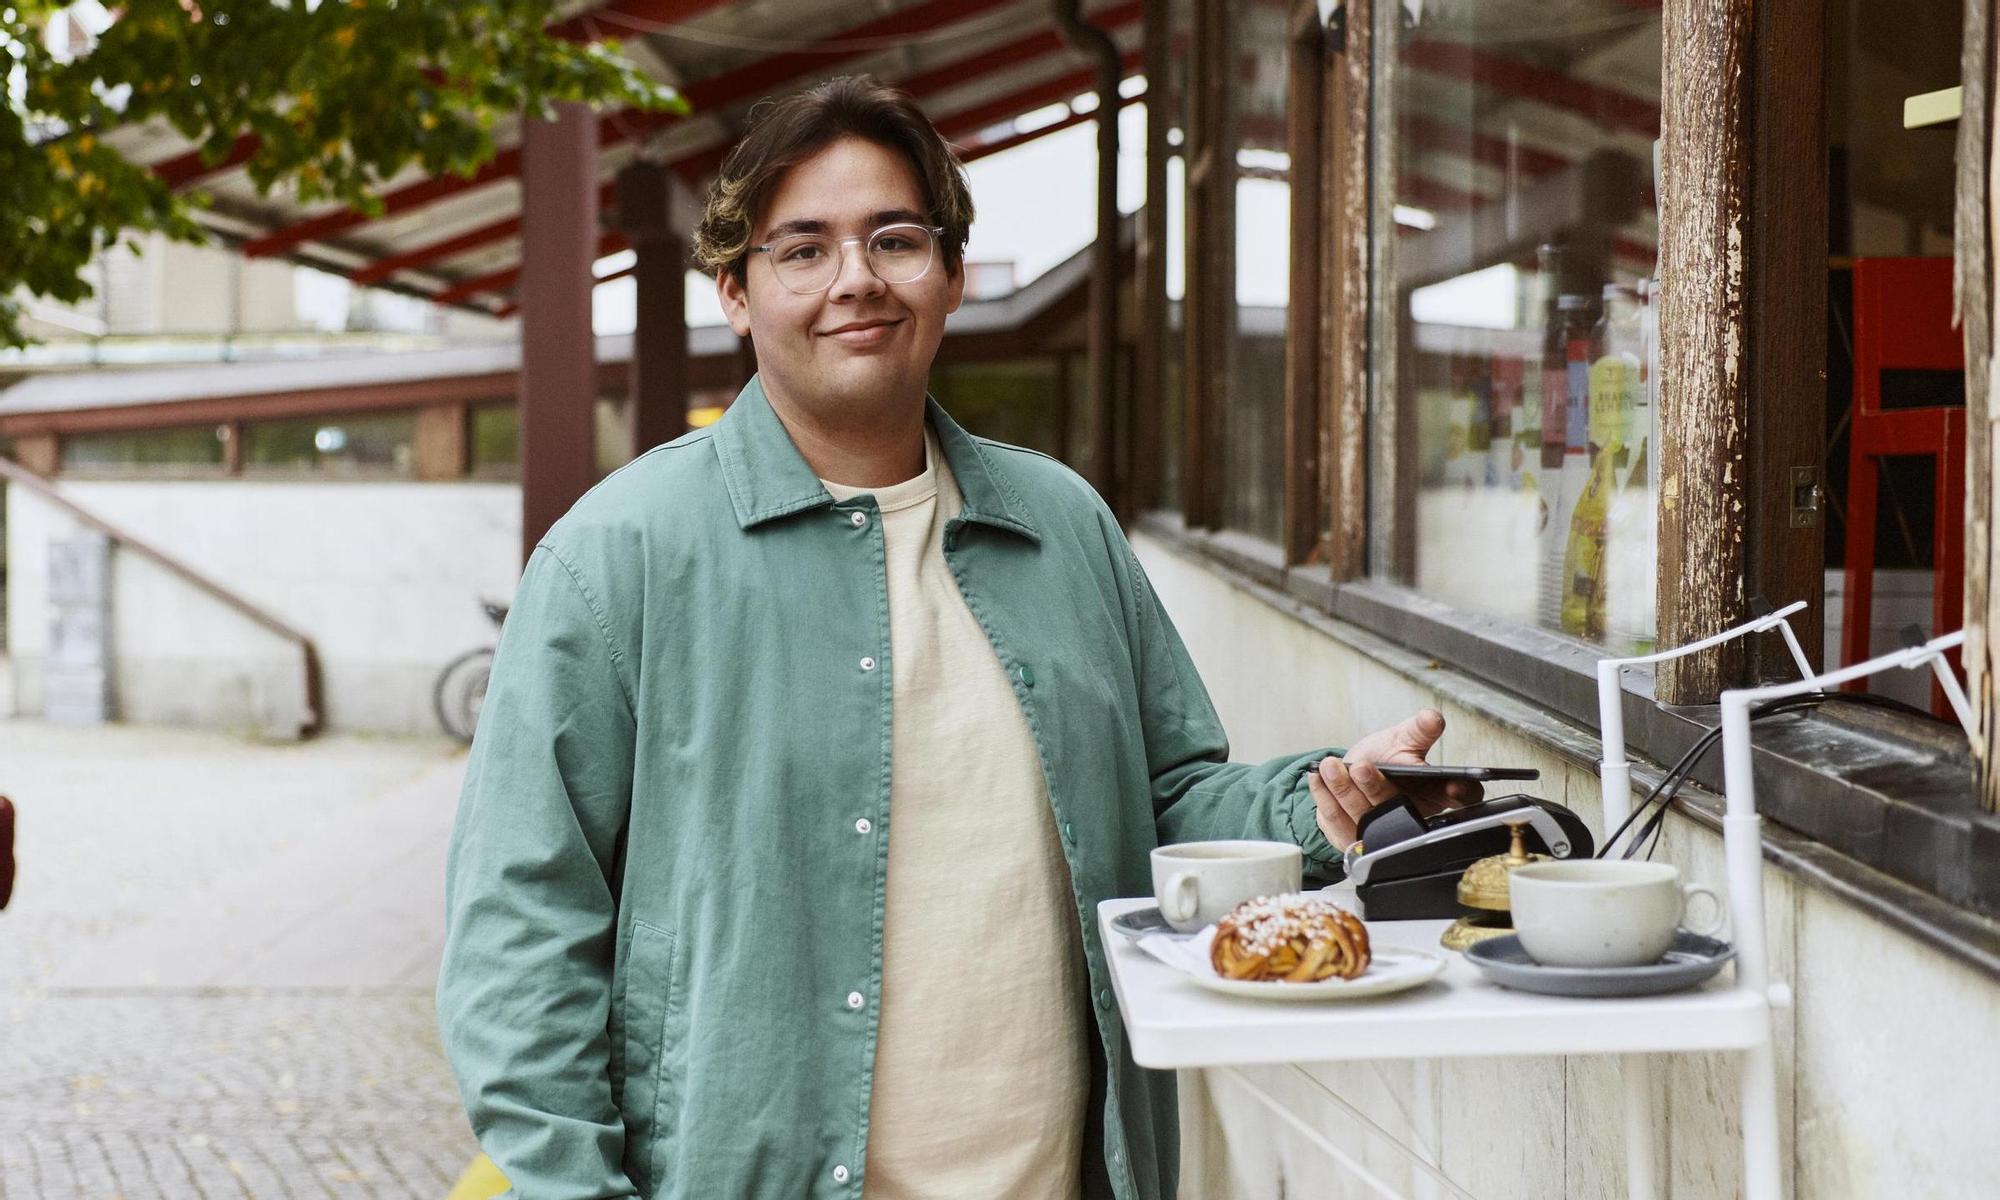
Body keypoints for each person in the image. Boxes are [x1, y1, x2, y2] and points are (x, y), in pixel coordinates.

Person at [435, 74, 1469, 1200]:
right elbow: (521, 928)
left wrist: (1318, 801)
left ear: (953, 275)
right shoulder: (616, 558)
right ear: (735, 293)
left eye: (894, 239)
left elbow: (1161, 799)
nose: (856, 281)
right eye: (801, 249)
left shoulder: (1060, 526)